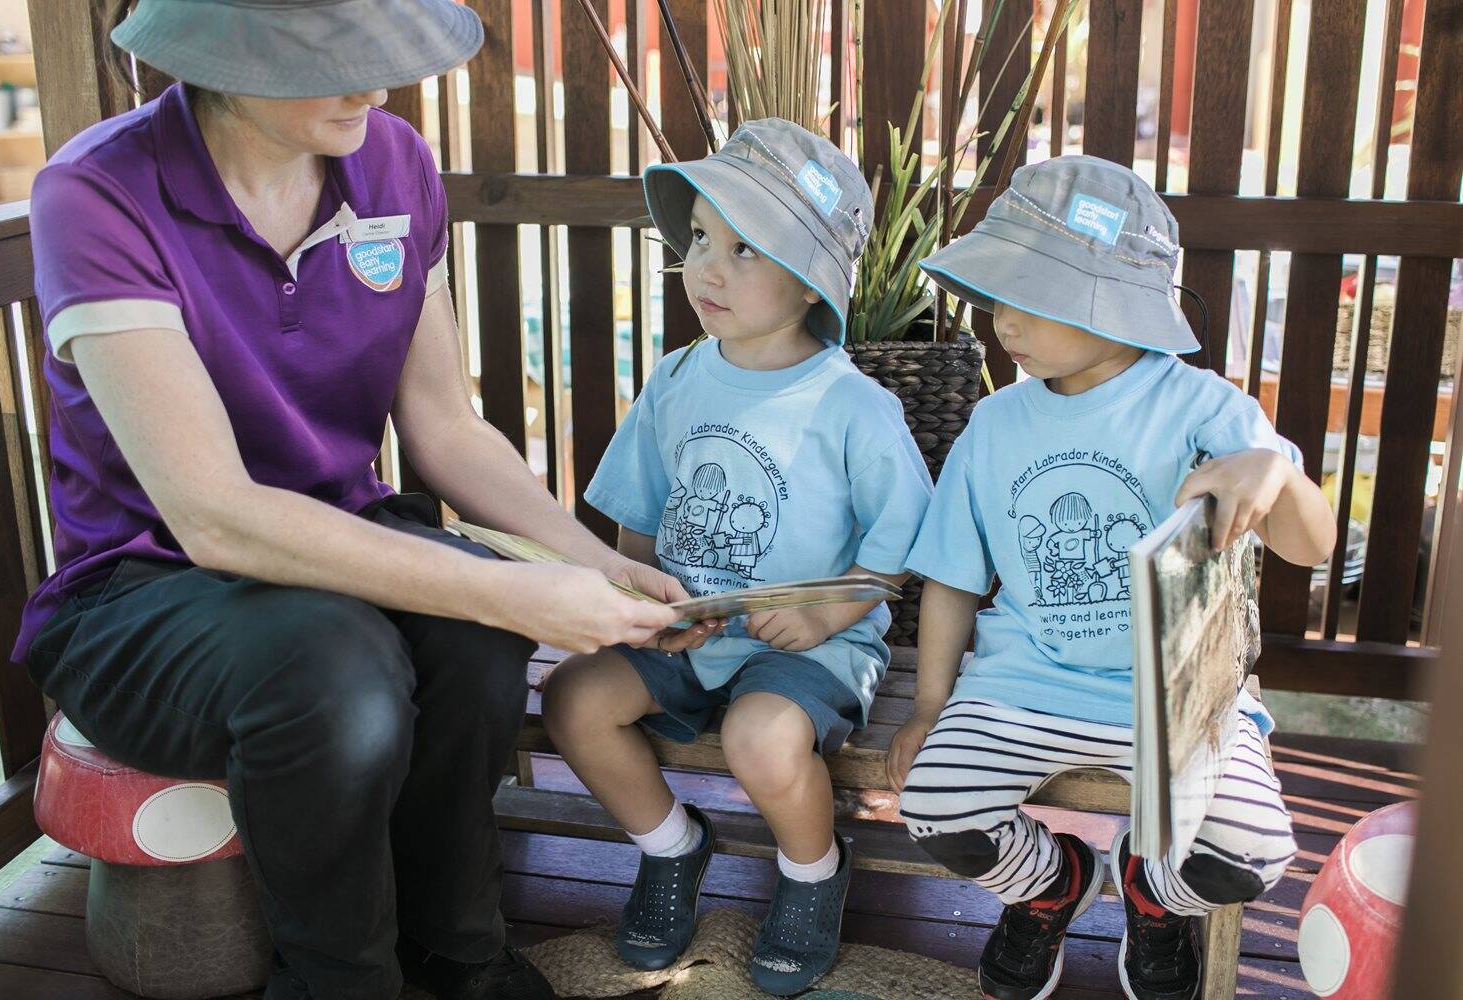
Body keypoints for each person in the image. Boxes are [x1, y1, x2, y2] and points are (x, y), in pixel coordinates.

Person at [17, 2, 701, 998]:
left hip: (339, 539)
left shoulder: (394, 163)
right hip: (138, 588)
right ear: (224, 55)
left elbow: (446, 429)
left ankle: (456, 951)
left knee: (476, 639)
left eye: (383, 56)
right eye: (332, 58)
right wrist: (504, 589)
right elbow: (212, 514)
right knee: (346, 673)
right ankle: (339, 976)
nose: (374, 86)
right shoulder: (96, 192)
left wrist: (581, 559)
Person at [888, 156, 1337, 1000]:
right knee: (937, 808)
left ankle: (1149, 892)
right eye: (995, 294)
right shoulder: (995, 421)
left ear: (1115, 305)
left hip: (1179, 701)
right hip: (1024, 685)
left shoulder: (1206, 408)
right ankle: (1053, 885)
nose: (1000, 319)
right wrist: (927, 707)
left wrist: (1273, 475)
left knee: (1252, 856)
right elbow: (952, 577)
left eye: (1027, 296)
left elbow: (1312, 546)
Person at [541, 119, 934, 996]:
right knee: (573, 698)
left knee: (763, 738)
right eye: (700, 242)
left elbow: (904, 538)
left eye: (747, 250)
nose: (707, 269)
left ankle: (812, 874)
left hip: (814, 642)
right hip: (693, 632)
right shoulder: (679, 376)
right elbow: (638, 516)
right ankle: (673, 847)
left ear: (810, 289)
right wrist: (647, 602)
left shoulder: (850, 404)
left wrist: (828, 614)